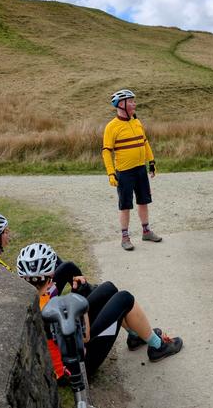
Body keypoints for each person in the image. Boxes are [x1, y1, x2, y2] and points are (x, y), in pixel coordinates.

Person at [16, 242, 183, 380]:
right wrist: (80, 302)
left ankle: (135, 335)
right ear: (50, 276)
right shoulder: (49, 311)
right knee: (124, 298)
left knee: (108, 288)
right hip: (78, 367)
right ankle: (157, 346)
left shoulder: (34, 296)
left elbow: (64, 273)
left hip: (66, 353)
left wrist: (79, 293)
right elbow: (84, 336)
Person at [102, 89, 161, 251]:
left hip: (140, 169)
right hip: (124, 172)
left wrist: (151, 162)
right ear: (122, 104)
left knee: (144, 201)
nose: (134, 103)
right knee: (125, 205)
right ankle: (125, 237)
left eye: (134, 101)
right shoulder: (111, 127)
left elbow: (145, 141)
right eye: (131, 101)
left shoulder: (136, 121)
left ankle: (146, 231)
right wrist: (111, 173)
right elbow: (106, 151)